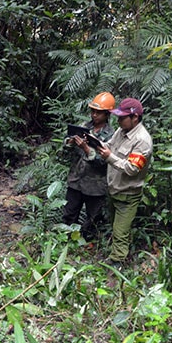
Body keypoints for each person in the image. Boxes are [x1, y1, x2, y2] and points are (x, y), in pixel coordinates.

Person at [97, 98, 153, 267]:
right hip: (115, 189)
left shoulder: (142, 140)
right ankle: (123, 254)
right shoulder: (121, 131)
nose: (119, 120)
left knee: (120, 232)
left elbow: (132, 169)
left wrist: (109, 157)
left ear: (135, 117)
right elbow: (110, 145)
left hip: (128, 194)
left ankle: (117, 264)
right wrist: (94, 143)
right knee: (118, 228)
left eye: (122, 117)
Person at [62, 92, 115, 242]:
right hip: (76, 180)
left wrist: (87, 149)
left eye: (99, 112)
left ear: (107, 114)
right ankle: (64, 243)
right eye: (93, 111)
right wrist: (70, 143)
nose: (94, 115)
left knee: (92, 220)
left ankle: (87, 246)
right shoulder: (84, 127)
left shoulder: (111, 136)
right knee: (69, 214)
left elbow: (106, 161)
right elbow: (65, 149)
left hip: (95, 186)